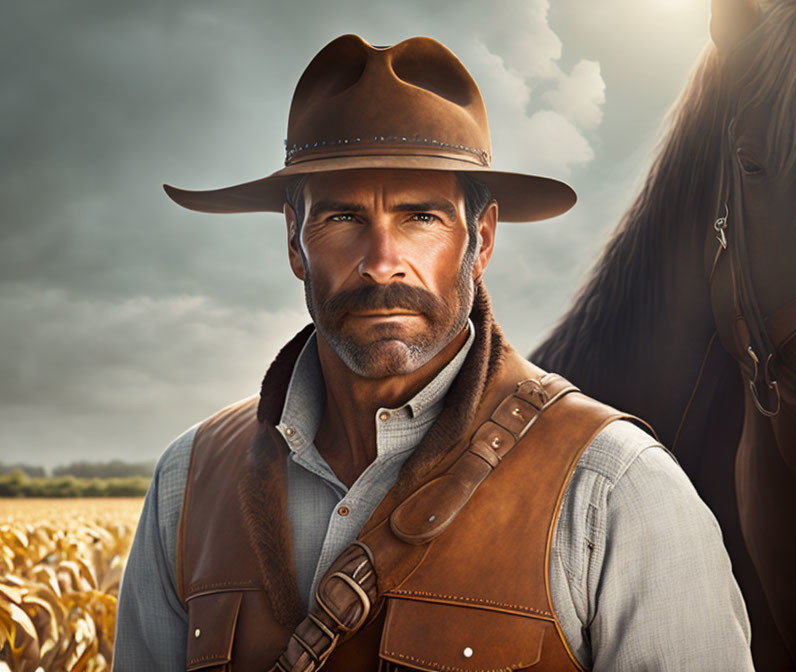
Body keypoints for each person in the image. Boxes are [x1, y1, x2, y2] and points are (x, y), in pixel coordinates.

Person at [113, 34, 754, 671]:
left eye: (421, 218)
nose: (382, 264)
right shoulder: (187, 482)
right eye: (343, 218)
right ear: (293, 240)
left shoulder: (616, 490)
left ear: (480, 242)